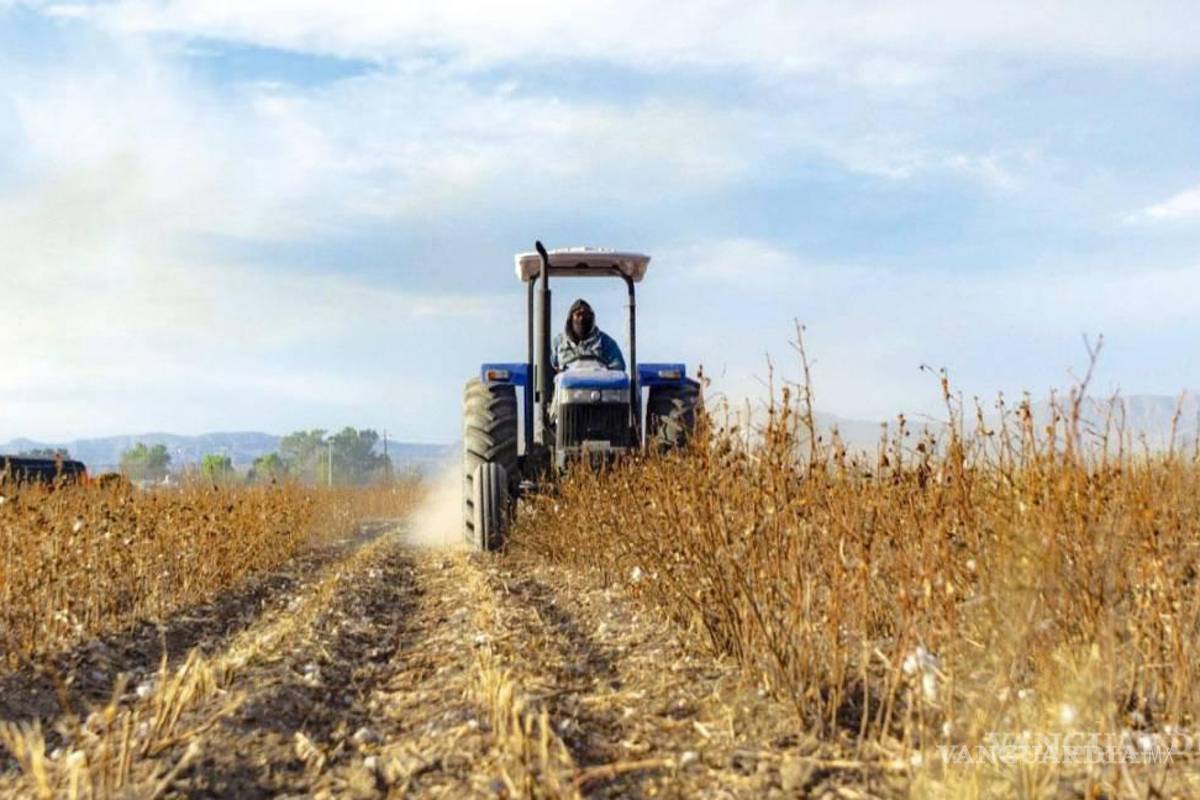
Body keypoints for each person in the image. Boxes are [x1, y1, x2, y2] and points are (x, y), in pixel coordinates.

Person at [551, 298, 625, 372]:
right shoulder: (558, 342)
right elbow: (548, 370)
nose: (582, 319)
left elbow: (618, 369)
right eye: (578, 314)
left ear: (592, 318)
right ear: (571, 318)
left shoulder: (606, 343)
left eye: (586, 315)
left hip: (598, 382)